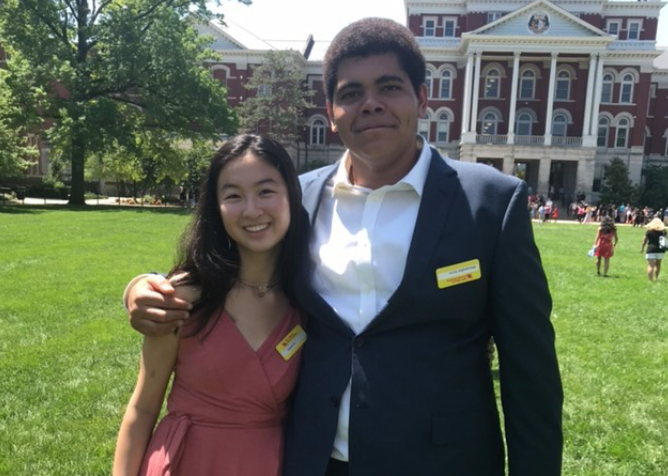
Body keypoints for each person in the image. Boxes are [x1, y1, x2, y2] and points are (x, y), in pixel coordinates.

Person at [123, 18, 562, 476]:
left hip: (441, 461)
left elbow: (530, 373)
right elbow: (230, 264)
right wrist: (141, 289)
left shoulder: (490, 202)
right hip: (314, 459)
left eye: (389, 87)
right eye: (351, 94)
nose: (370, 104)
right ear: (331, 112)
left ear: (422, 99)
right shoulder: (297, 200)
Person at [113, 134, 308, 476]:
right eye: (233, 195)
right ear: (216, 209)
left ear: (291, 195)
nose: (251, 210)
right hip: (188, 462)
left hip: (268, 463)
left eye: (266, 191)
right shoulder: (183, 299)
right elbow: (142, 409)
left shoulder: (306, 302)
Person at [641, 216, 667, 281]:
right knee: (658, 264)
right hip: (661, 249)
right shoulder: (663, 231)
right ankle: (656, 277)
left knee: (650, 265)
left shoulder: (649, 231)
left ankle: (650, 280)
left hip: (651, 249)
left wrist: (642, 247)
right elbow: (666, 239)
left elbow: (644, 240)